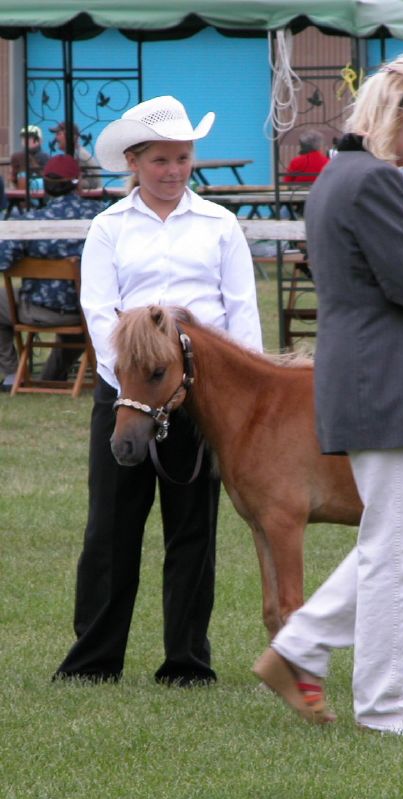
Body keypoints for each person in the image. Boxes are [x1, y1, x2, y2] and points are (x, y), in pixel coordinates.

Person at [253, 54, 403, 740]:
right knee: (398, 543)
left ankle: (297, 650)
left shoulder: (335, 177)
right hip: (385, 378)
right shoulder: (377, 184)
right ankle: (386, 708)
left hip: (363, 375)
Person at [52, 95, 262, 685]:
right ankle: (94, 660)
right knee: (110, 529)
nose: (173, 171)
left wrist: (239, 397)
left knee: (193, 531)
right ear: (135, 163)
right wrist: (133, 389)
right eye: (161, 160)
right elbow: (98, 313)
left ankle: (187, 661)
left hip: (199, 400)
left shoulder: (221, 226)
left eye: (183, 159)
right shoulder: (107, 229)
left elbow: (241, 315)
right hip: (127, 396)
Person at [0, 155, 105, 391]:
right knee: (80, 326)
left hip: (38, 310)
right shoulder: (102, 216)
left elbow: (3, 260)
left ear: (45, 184)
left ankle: (11, 374)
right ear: (77, 182)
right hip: (88, 310)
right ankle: (51, 376)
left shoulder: (31, 221)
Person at [50, 121, 102, 190]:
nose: (56, 138)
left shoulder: (78, 155)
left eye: (59, 134)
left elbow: (92, 183)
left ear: (72, 137)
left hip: (89, 196)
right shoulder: (74, 153)